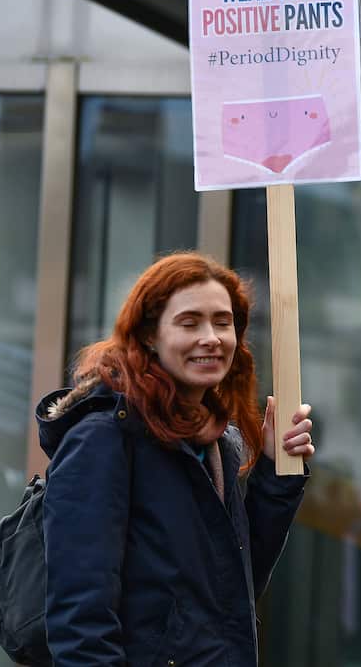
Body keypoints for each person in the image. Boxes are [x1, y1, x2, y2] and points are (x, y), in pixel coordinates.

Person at [39, 252, 315, 666]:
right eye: (190, 323)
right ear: (149, 335)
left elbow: (232, 587)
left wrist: (277, 471)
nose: (211, 337)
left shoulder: (217, 442)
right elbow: (80, 621)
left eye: (223, 322)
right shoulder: (103, 440)